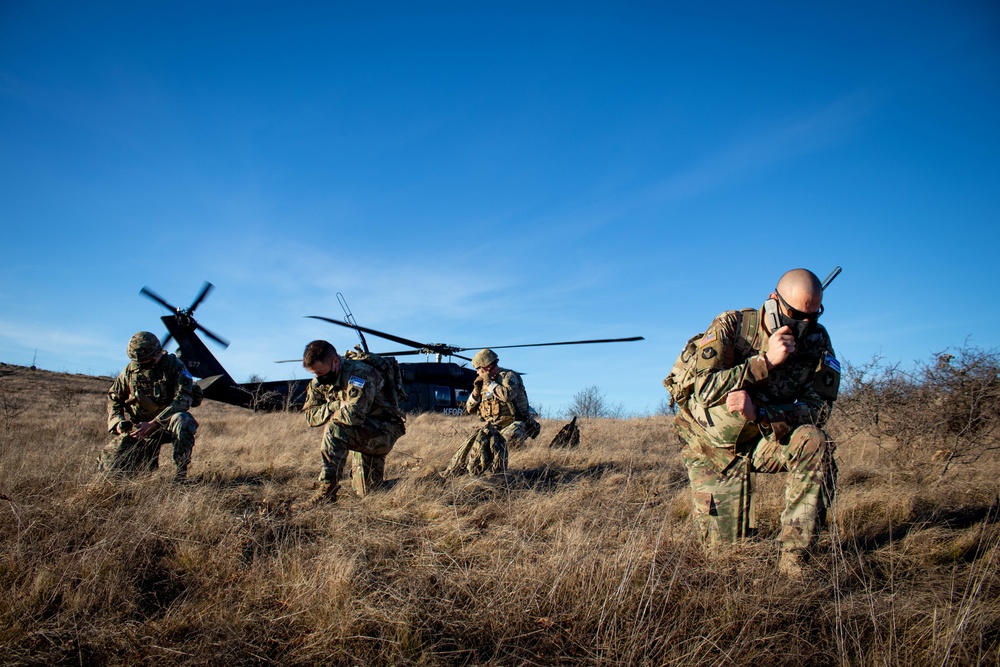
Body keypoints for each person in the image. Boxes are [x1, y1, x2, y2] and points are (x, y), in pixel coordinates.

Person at [671, 269, 841, 576]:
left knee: (815, 441)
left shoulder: (817, 340)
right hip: (713, 446)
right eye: (794, 315)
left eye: (811, 316)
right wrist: (764, 363)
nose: (801, 325)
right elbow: (704, 388)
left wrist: (763, 415)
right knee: (725, 559)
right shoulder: (733, 325)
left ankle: (795, 560)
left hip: (766, 436)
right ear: (774, 301)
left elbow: (819, 410)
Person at [300, 340, 406, 504]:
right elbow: (309, 416)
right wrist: (335, 406)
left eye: (321, 372)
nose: (318, 378)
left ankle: (327, 491)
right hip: (360, 432)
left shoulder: (359, 375)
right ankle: (417, 481)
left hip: (383, 431)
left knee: (334, 429)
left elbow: (353, 417)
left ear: (335, 362)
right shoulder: (318, 381)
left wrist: (329, 413)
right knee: (369, 493)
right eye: (314, 374)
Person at [101, 331, 198, 481]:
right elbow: (114, 397)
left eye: (147, 361)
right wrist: (118, 422)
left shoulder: (174, 366)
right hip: (140, 427)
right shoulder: (130, 371)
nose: (142, 365)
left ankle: (180, 475)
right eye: (139, 363)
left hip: (167, 422)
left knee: (182, 420)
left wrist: (154, 423)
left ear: (158, 353)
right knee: (112, 466)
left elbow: (183, 399)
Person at [443, 348, 532, 476]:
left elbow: (507, 395)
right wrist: (476, 391)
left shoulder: (509, 377)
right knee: (471, 446)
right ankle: (463, 472)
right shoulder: (483, 383)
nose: (478, 372)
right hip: (493, 427)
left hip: (516, 423)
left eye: (479, 369)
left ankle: (501, 476)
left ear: (487, 367)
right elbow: (469, 408)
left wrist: (489, 383)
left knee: (502, 441)